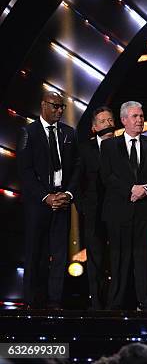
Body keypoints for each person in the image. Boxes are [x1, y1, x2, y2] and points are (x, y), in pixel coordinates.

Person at [100, 101, 147, 311]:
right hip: (119, 211)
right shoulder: (110, 146)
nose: (140, 120)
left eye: (141, 116)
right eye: (135, 116)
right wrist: (131, 189)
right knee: (118, 259)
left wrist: (145, 190)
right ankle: (116, 304)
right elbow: (106, 176)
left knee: (144, 258)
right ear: (124, 120)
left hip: (145, 211)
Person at [17, 91, 80, 309]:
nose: (59, 111)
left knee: (60, 254)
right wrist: (46, 197)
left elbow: (77, 169)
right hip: (38, 203)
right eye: (55, 106)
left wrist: (68, 194)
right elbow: (25, 172)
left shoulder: (69, 133)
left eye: (62, 107)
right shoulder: (29, 132)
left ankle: (55, 300)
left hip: (62, 200)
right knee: (36, 253)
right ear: (43, 105)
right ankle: (32, 301)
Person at [77, 106, 115, 310]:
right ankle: (98, 306)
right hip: (93, 213)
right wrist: (82, 206)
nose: (108, 124)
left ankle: (117, 303)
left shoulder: (124, 148)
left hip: (120, 213)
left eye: (110, 120)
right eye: (103, 121)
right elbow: (76, 180)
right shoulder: (85, 149)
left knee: (118, 259)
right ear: (94, 127)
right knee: (96, 260)